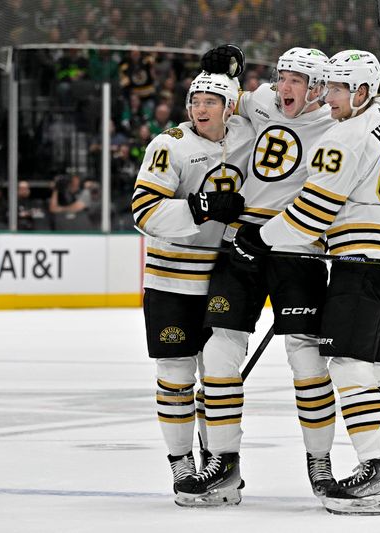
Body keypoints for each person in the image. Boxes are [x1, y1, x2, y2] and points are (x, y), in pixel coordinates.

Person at [177, 44, 380, 508]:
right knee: (219, 348)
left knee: (313, 361)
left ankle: (329, 464)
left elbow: (329, 200)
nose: (285, 87)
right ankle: (223, 463)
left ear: (321, 87)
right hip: (246, 241)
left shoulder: (342, 126)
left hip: (301, 247)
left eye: (299, 79)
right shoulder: (268, 102)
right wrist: (217, 72)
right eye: (282, 76)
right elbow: (217, 104)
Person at [131, 71, 254, 506]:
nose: (201, 109)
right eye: (195, 101)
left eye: (211, 101)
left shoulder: (246, 134)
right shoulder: (169, 145)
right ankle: (181, 461)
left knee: (220, 376)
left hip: (223, 275)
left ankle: (219, 461)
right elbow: (143, 211)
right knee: (176, 377)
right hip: (170, 279)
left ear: (229, 107)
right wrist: (199, 208)